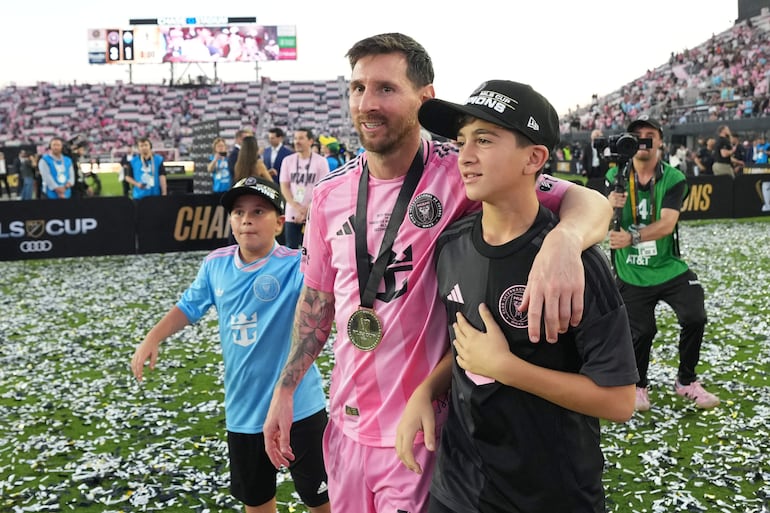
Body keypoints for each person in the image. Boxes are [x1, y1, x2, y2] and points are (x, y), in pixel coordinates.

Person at [263, 33, 612, 513]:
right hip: (345, 429)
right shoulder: (328, 193)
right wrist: (285, 390)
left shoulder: (462, 173)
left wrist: (565, 241)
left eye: (385, 88)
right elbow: (318, 301)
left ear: (423, 98)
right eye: (358, 88)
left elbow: (584, 199)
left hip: (423, 433)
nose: (368, 103)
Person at [400, 79, 638, 513]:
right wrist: (427, 388)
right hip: (457, 489)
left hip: (551, 494)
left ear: (534, 158)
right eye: (462, 140)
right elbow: (470, 344)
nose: (465, 156)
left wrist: (508, 369)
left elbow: (620, 401)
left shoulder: (576, 263)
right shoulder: (450, 244)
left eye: (485, 140)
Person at [131, 176, 330, 513]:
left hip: (301, 406)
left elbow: (325, 296)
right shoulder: (216, 265)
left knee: (321, 499)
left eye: (258, 211)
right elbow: (188, 307)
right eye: (238, 212)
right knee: (257, 501)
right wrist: (153, 336)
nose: (246, 219)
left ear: (280, 223)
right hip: (244, 411)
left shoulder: (297, 264)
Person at [606, 116, 720, 412]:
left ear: (660, 142)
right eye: (637, 135)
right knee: (642, 331)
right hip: (631, 269)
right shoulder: (615, 175)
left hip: (667, 265)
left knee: (695, 315)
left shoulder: (673, 177)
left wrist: (630, 238)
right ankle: (638, 385)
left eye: (649, 135)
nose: (643, 140)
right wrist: (609, 206)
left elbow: (667, 224)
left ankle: (685, 380)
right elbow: (602, 222)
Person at [278, 128, 330, 249]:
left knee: (313, 250)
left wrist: (308, 209)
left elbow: (324, 188)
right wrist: (298, 208)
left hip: (314, 212)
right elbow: (284, 186)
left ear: (310, 141)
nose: (297, 141)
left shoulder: (321, 161)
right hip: (292, 212)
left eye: (301, 138)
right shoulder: (288, 161)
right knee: (291, 249)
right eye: (295, 138)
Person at [581, 129, 608, 193]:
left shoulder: (604, 145)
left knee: (601, 184)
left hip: (601, 168)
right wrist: (584, 169)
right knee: (591, 186)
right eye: (595, 136)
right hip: (591, 170)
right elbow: (584, 159)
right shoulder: (588, 147)